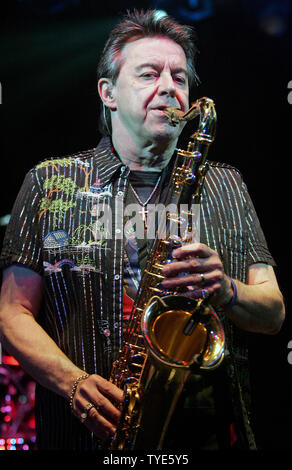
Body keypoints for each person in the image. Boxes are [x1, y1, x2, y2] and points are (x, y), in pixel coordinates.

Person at [0, 10, 285, 451]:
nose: (169, 87)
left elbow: (273, 312)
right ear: (108, 93)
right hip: (88, 436)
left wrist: (226, 289)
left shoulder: (227, 184)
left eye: (179, 77)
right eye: (149, 73)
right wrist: (74, 384)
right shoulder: (49, 181)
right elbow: (11, 313)